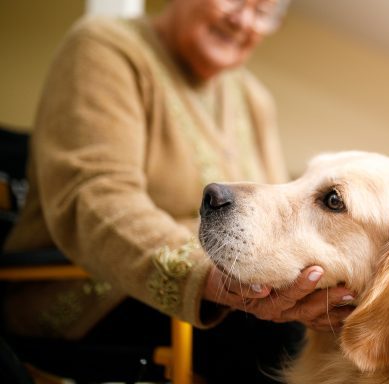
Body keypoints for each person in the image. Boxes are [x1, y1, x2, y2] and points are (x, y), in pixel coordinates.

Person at [1, 0, 355, 382]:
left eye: (263, 11)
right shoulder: (105, 46)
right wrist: (213, 278)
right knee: (284, 341)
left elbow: (281, 210)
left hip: (230, 295)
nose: (243, 20)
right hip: (92, 296)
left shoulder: (254, 100)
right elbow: (94, 200)